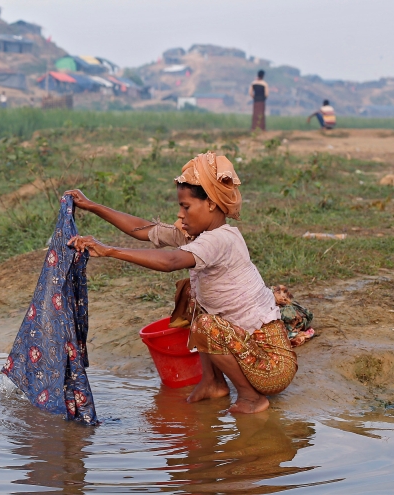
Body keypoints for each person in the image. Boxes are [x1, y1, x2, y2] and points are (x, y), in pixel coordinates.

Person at [66, 152, 295, 414]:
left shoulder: (220, 240)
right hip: (245, 348)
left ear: (210, 203)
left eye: (186, 207)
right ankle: (213, 382)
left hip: (273, 368)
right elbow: (142, 230)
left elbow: (171, 261)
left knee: (206, 324)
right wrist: (93, 206)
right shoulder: (196, 235)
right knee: (190, 292)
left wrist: (109, 251)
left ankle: (251, 398)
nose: (180, 213)